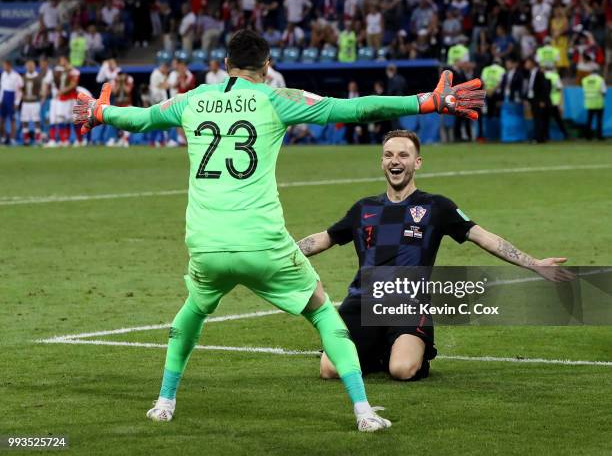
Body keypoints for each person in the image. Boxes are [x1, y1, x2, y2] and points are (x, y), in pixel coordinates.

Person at [73, 29, 484, 432]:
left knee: (193, 312)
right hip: (262, 243)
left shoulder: (191, 99)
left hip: (207, 245)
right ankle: (363, 411)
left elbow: (141, 120)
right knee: (323, 310)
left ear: (225, 65)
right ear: (267, 67)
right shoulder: (276, 99)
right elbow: (355, 108)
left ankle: (164, 402)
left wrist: (98, 112)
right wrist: (427, 101)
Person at [297, 130, 572, 382]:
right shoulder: (364, 208)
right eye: (389, 155)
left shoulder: (436, 206)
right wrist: (273, 254)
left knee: (402, 370)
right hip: (363, 303)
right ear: (382, 163)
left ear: (417, 162)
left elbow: (484, 237)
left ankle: (401, 352)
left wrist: (534, 263)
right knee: (329, 370)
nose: (396, 161)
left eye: (404, 155)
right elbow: (323, 239)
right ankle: (376, 349)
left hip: (409, 304)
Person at [48, 55, 79, 147]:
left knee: (73, 119)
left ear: (66, 61)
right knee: (62, 119)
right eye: (60, 61)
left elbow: (74, 83)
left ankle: (80, 140)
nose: (61, 62)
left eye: (63, 60)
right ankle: (64, 140)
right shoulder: (60, 71)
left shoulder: (73, 71)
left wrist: (62, 91)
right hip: (61, 98)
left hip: (71, 98)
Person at [523, 57, 551, 143]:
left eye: (527, 63)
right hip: (533, 99)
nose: (525, 65)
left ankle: (539, 138)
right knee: (535, 118)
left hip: (538, 99)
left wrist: (542, 100)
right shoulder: (530, 73)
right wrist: (527, 98)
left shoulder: (539, 73)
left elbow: (544, 88)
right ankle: (538, 137)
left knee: (539, 119)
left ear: (532, 63)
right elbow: (530, 87)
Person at [19, 59, 44, 146]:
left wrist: (41, 97)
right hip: (26, 103)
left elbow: (42, 89)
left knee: (36, 120)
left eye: (31, 65)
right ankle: (26, 139)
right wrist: (22, 96)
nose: (30, 67)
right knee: (24, 121)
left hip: (34, 102)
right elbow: (20, 89)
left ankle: (38, 139)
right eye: (28, 65)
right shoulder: (23, 77)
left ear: (34, 66)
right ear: (26, 67)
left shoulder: (38, 77)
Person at [0, 60, 23, 145]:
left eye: (5, 66)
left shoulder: (16, 76)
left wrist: (17, 102)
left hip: (11, 97)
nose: (3, 67)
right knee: (2, 119)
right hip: (4, 98)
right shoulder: (3, 75)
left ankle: (13, 138)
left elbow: (19, 91)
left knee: (12, 120)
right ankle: (3, 137)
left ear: (9, 66)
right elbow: (2, 89)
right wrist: (0, 100)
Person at [581, 66, 606, 140]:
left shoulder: (585, 79)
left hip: (589, 101)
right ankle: (599, 136)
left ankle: (588, 136)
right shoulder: (600, 79)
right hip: (598, 102)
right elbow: (604, 91)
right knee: (599, 120)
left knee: (589, 120)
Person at [543, 64, 568, 139]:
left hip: (545, 100)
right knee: (558, 119)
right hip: (554, 101)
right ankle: (566, 134)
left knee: (545, 120)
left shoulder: (542, 75)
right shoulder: (555, 76)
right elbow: (559, 87)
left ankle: (546, 136)